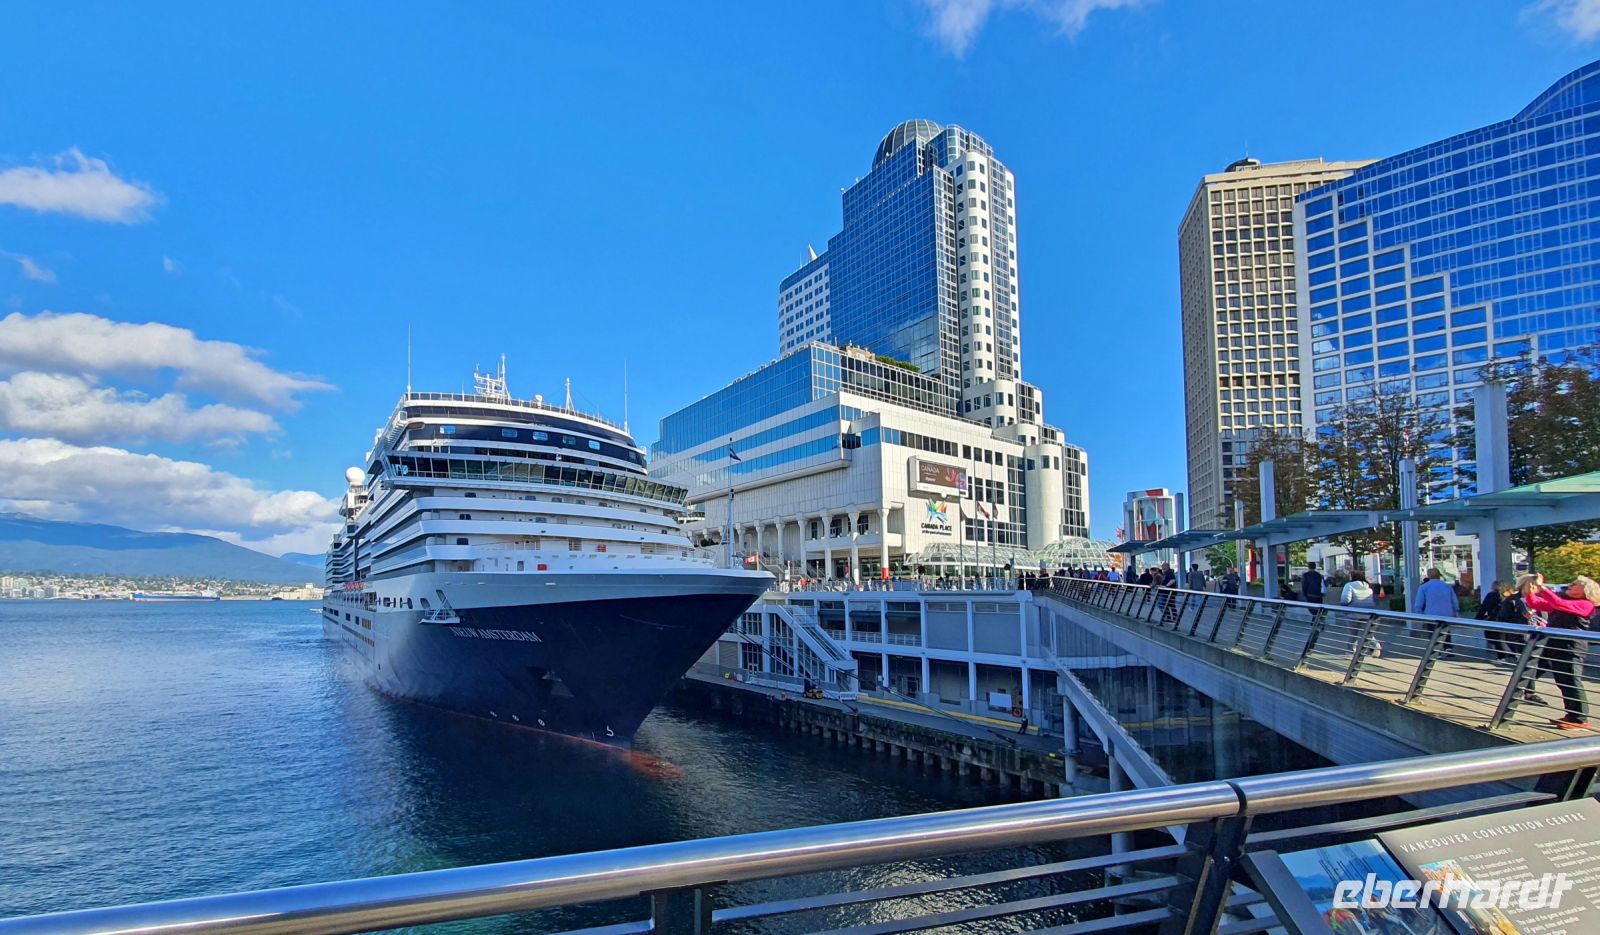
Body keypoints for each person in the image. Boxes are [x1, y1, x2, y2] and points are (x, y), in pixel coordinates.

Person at [1525, 574, 1600, 730]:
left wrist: (1542, 588)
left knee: (1571, 680)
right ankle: (1572, 714)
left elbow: (1558, 603)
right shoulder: (1566, 601)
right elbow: (1537, 604)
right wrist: (1530, 592)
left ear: (1586, 589)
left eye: (1575, 583)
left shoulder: (1586, 604)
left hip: (1572, 647)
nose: (1570, 585)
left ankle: (1579, 718)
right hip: (1557, 645)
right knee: (1562, 680)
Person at [1340, 569, 1381, 657]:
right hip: (1368, 613)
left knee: (1353, 633)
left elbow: (1345, 600)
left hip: (1353, 613)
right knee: (1366, 632)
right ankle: (1375, 645)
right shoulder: (1368, 586)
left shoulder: (1349, 585)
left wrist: (1344, 606)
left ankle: (1350, 651)